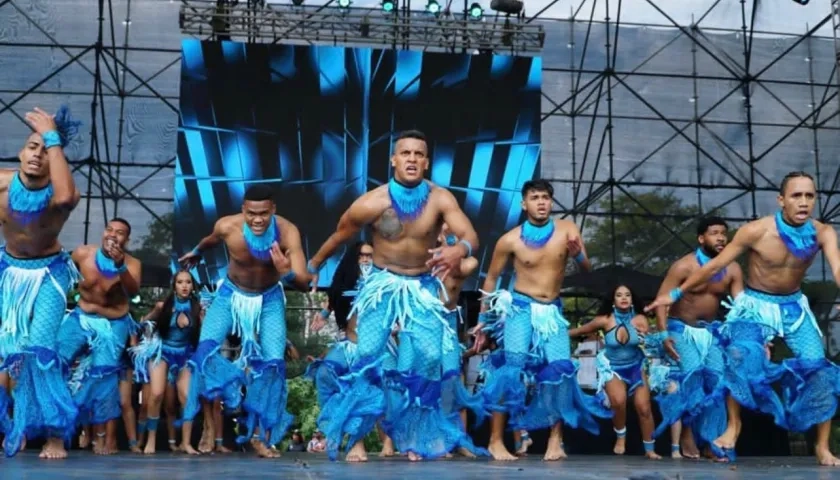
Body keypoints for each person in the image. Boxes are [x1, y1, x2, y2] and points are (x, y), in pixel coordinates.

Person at [306, 129, 479, 462]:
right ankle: (355, 439)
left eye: (418, 154)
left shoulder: (441, 199)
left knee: (428, 362)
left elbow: (470, 235)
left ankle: (414, 437)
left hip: (423, 287)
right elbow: (339, 235)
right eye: (406, 153)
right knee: (366, 360)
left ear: (426, 162)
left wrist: (461, 249)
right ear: (394, 160)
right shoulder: (373, 201)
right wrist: (313, 264)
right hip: (383, 285)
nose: (412, 159)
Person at [646, 171, 840, 466]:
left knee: (819, 369)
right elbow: (715, 266)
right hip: (755, 306)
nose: (803, 202)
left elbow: (837, 267)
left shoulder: (823, 232)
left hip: (793, 308)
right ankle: (733, 426)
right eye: (796, 195)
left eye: (809, 196)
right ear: (781, 200)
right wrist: (674, 295)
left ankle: (822, 447)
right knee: (738, 357)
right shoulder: (755, 231)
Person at [472, 179, 610, 462]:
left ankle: (555, 441)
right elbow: (491, 278)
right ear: (524, 203)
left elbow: (587, 271)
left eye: (546, 197)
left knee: (559, 372)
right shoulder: (510, 239)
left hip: (552, 312)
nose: (542, 202)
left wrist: (578, 255)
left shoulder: (567, 229)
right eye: (535, 197)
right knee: (511, 370)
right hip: (520, 308)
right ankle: (496, 441)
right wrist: (483, 321)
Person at [178, 184, 311, 458]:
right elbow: (209, 240)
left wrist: (286, 273)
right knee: (204, 355)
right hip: (230, 295)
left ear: (273, 209)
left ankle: (261, 437)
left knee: (273, 367)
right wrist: (196, 251)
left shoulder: (288, 232)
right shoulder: (228, 226)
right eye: (252, 213)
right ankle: (209, 428)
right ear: (243, 210)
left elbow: (305, 282)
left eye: (264, 213)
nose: (258, 219)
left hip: (269, 300)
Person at [0, 106, 81, 459]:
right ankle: (17, 426)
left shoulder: (60, 194)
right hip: (10, 272)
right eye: (32, 146)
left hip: (50, 272)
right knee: (13, 354)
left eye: (45, 151)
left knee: (42, 351)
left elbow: (65, 197)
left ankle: (55, 435)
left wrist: (52, 136)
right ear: (21, 152)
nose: (37, 154)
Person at [649, 217, 744, 460]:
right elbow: (662, 301)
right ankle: (687, 434)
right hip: (681, 329)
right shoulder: (684, 266)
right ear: (701, 238)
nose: (721, 237)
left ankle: (712, 441)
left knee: (718, 383)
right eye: (714, 233)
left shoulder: (732, 268)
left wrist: (749, 337)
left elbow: (741, 308)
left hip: (710, 332)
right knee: (692, 378)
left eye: (724, 233)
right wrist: (663, 335)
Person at [56, 218, 142, 455]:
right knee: (53, 361)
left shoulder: (132, 264)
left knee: (104, 375)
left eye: (120, 233)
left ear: (127, 239)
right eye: (109, 230)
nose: (113, 236)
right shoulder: (83, 253)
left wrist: (120, 265)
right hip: (81, 316)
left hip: (114, 322)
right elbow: (59, 273)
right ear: (103, 232)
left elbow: (133, 291)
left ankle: (103, 437)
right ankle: (51, 430)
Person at [568, 284, 659, 459]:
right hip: (612, 367)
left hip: (635, 366)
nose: (624, 298)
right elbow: (579, 331)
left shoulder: (640, 319)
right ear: (613, 300)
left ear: (632, 300)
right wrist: (555, 333)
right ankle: (620, 437)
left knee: (644, 408)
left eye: (627, 295)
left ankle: (650, 449)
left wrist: (648, 338)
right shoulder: (605, 320)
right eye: (619, 295)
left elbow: (651, 343)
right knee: (618, 401)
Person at [130, 269, 202, 454]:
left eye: (188, 282)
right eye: (180, 282)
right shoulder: (164, 306)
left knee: (187, 396)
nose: (184, 286)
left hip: (185, 354)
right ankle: (150, 440)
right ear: (174, 286)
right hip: (162, 352)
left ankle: (186, 442)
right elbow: (141, 324)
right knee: (156, 394)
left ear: (192, 286)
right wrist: (148, 321)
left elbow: (204, 335)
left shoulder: (198, 308)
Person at [436, 224, 487, 458]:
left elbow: (472, 263)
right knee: (428, 388)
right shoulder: (418, 260)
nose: (445, 233)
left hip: (447, 329)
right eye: (441, 229)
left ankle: (460, 440)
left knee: (455, 386)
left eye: (450, 231)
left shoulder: (460, 263)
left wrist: (451, 243)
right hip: (421, 327)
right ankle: (437, 441)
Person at [310, 241, 373, 334]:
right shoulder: (343, 283)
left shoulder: (383, 281)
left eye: (369, 256)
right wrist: (323, 315)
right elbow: (334, 296)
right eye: (360, 256)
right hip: (350, 333)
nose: (365, 260)